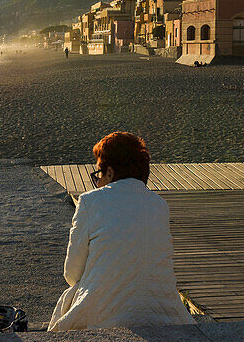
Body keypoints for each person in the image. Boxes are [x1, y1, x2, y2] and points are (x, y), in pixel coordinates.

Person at [49, 132, 193, 331]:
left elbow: (72, 273)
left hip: (106, 315)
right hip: (162, 313)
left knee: (72, 297)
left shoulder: (90, 201)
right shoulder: (159, 205)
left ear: (109, 172)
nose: (98, 182)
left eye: (98, 175)